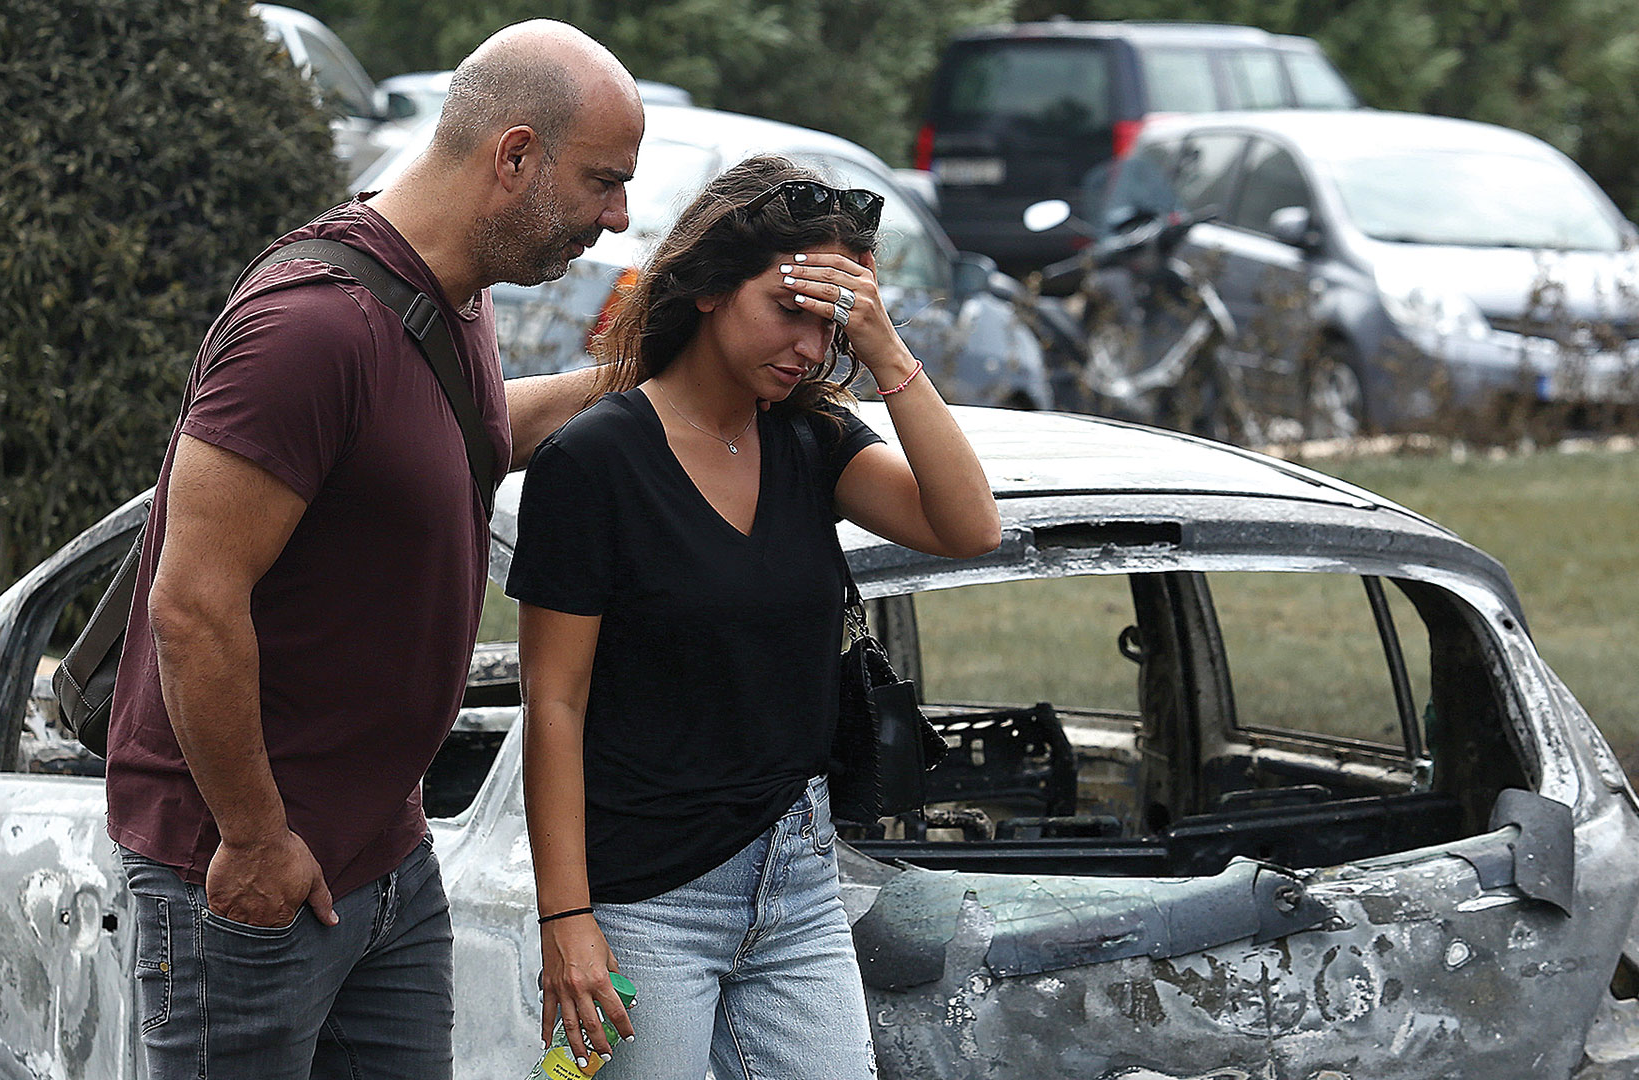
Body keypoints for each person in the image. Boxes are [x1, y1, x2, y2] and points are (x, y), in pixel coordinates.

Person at [102, 21, 643, 1080]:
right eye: (603, 182)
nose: (617, 218)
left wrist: (644, 377)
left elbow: (471, 439)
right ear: (515, 156)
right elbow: (194, 605)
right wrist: (257, 841)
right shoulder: (311, 329)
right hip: (252, 876)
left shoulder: (451, 299)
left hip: (386, 859)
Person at [507, 154, 1003, 1079]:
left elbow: (970, 526)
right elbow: (556, 703)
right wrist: (566, 918)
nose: (811, 349)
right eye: (790, 311)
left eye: (831, 326)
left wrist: (886, 349)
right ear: (706, 289)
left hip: (799, 880)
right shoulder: (595, 461)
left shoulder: (813, 440)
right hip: (645, 898)